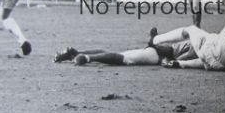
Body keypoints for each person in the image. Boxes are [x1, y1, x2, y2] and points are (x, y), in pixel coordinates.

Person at [53, 38, 196, 66]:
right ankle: (85, 57)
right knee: (123, 58)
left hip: (156, 51)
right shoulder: (199, 46)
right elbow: (180, 60)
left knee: (118, 55)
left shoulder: (197, 40)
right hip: (157, 54)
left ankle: (75, 53)